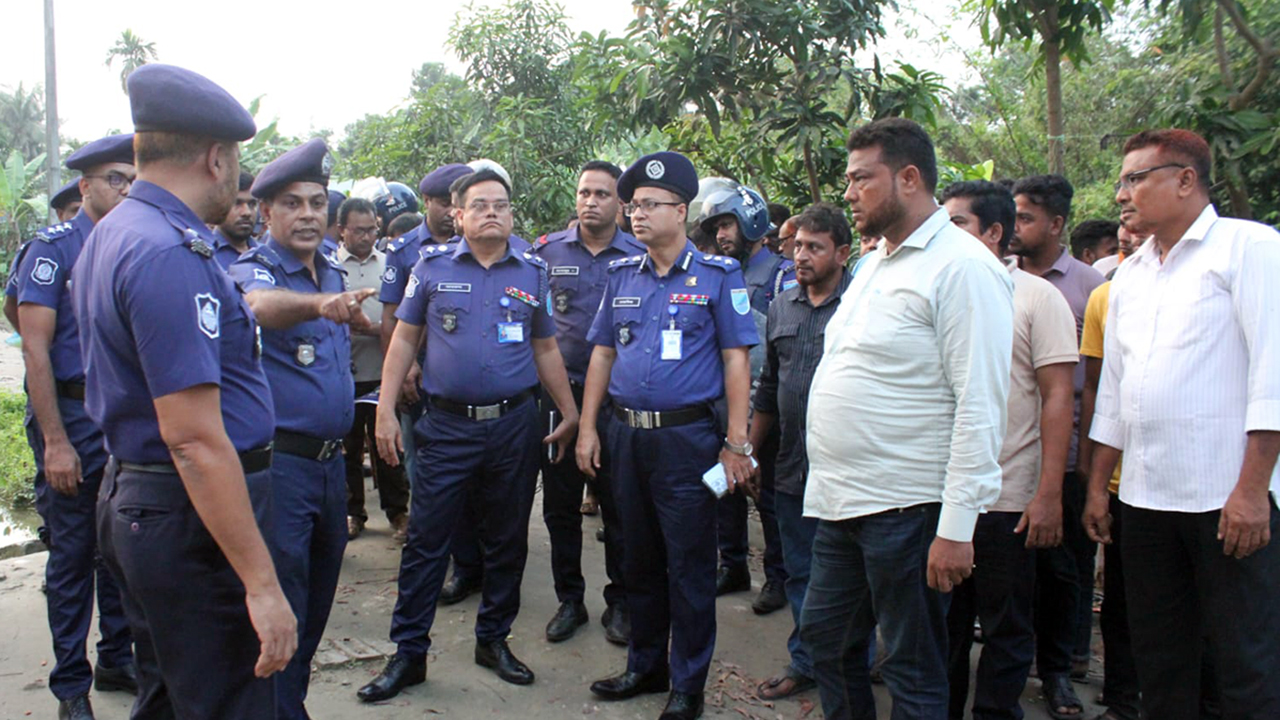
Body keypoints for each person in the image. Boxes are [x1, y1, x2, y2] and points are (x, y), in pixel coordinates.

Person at [71, 63, 296, 719]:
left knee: (170, 692)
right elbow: (195, 439)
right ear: (215, 156)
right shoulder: (169, 252)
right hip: (191, 516)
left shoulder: (115, 231)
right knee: (229, 699)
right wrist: (261, 585)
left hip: (147, 501)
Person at [801, 118, 1013, 720]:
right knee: (825, 638)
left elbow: (980, 405)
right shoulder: (874, 266)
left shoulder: (964, 269)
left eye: (861, 179)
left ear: (909, 178)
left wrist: (957, 527)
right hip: (843, 503)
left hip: (909, 511)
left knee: (912, 668)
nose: (848, 194)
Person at [358, 169, 579, 701]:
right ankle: (409, 654)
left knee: (507, 539)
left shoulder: (531, 271)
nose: (493, 213)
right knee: (428, 541)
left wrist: (570, 412)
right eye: (480, 205)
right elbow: (404, 341)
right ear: (458, 214)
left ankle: (493, 639)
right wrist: (384, 410)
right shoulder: (430, 267)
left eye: (502, 205)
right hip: (448, 427)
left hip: (513, 426)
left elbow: (545, 347)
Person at [1084, 129, 1280, 720]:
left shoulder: (1249, 248)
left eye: (1135, 179)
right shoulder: (1131, 275)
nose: (1123, 194)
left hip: (1225, 498)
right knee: (1161, 658)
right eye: (1123, 181)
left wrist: (1251, 492)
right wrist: (1097, 487)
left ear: (1186, 180)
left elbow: (1273, 376)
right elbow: (1114, 393)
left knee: (1244, 659)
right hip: (1145, 500)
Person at [578, 151, 758, 720]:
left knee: (688, 564)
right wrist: (587, 428)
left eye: (649, 205)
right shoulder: (621, 277)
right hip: (626, 436)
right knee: (637, 558)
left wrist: (736, 442)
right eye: (633, 206)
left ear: (681, 211)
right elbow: (602, 353)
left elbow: (736, 362)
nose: (636, 215)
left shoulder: (717, 277)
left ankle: (688, 683)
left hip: (687, 443)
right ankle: (645, 664)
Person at [228, 138, 370, 720]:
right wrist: (317, 306)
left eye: (317, 202)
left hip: (330, 467)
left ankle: (290, 705)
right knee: (280, 607)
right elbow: (257, 306)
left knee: (313, 604)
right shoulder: (253, 267)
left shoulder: (331, 271)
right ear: (267, 213)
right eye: (293, 203)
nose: (308, 214)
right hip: (280, 468)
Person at [941, 180, 1078, 720]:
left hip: (1007, 499)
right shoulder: (941, 289)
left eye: (958, 224)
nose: (943, 236)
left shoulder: (1038, 297)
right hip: (946, 495)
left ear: (994, 233)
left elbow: (1058, 397)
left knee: (1006, 625)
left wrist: (1047, 495)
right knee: (946, 622)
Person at [13, 133, 138, 720]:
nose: (127, 189)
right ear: (85, 186)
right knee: (72, 557)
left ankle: (117, 657)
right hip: (73, 417)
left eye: (134, 180)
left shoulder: (134, 244)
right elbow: (34, 350)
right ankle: (70, 686)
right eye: (116, 178)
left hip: (123, 421)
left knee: (121, 548)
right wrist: (56, 443)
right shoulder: (54, 249)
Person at [531, 160, 643, 645]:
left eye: (601, 193)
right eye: (584, 193)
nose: (590, 201)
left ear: (620, 203)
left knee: (619, 504)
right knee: (559, 505)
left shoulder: (639, 254)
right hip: (561, 396)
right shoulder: (547, 254)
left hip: (618, 399)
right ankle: (570, 599)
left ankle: (620, 600)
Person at [750, 202, 853, 702]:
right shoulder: (782, 307)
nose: (799, 256)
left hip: (852, 472)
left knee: (855, 579)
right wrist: (747, 450)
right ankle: (807, 660)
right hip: (793, 467)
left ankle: (851, 660)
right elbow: (769, 387)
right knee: (802, 572)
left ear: (842, 252)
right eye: (795, 247)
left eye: (814, 247)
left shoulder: (863, 304)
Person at [1011, 173, 1104, 716]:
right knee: (1012, 571)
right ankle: (1014, 660)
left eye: (1027, 217)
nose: (1018, 226)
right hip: (1008, 455)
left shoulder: (1087, 286)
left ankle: (1059, 671)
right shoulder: (995, 279)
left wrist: (1089, 469)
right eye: (1015, 216)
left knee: (1062, 571)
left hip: (1065, 458)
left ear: (1056, 224)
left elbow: (1094, 384)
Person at [378, 162, 487, 605]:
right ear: (428, 203)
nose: (449, 211)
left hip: (470, 387)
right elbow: (392, 321)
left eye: (456, 203)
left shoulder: (484, 247)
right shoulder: (405, 250)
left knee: (478, 481)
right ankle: (437, 560)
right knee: (427, 477)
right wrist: (404, 372)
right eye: (443, 203)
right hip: (419, 383)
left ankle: (472, 561)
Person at [699, 183, 789, 613]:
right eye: (717, 226)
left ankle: (777, 576)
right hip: (724, 400)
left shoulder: (780, 274)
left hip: (768, 403)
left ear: (751, 221)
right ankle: (731, 564)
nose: (722, 234)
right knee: (725, 491)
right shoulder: (719, 273)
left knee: (767, 494)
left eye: (728, 223)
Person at [337, 197, 411, 542]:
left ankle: (398, 512)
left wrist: (374, 328)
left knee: (388, 447)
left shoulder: (389, 264)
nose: (366, 237)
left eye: (371, 230)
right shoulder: (330, 266)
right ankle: (354, 513)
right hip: (342, 375)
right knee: (349, 449)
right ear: (342, 230)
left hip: (382, 372)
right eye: (358, 230)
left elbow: (399, 320)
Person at [212, 171, 258, 270]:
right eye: (237, 203)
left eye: (252, 204)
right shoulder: (206, 256)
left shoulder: (266, 255)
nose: (247, 212)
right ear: (219, 205)